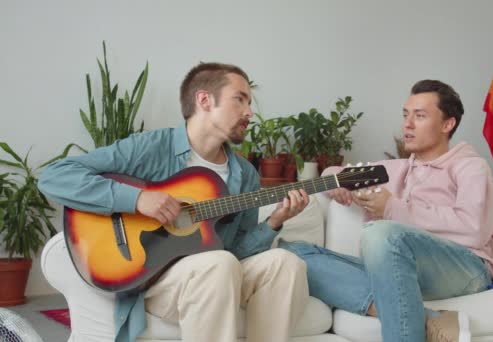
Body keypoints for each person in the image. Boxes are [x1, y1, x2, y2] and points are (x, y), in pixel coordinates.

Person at [39, 62, 310, 342]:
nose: (249, 112)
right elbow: (55, 177)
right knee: (217, 264)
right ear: (204, 100)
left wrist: (274, 221)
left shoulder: (245, 175)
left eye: (249, 103)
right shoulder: (153, 147)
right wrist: (137, 199)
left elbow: (236, 252)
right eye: (239, 99)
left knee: (285, 263)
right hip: (157, 280)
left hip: (215, 275)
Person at [280, 80, 493, 342]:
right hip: (399, 270)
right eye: (405, 115)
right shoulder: (395, 169)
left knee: (380, 233)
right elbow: (332, 172)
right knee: (292, 255)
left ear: (448, 124)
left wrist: (391, 208)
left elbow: (474, 230)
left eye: (420, 116)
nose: (407, 124)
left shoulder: (470, 166)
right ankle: (427, 317)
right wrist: (337, 182)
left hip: (466, 267)